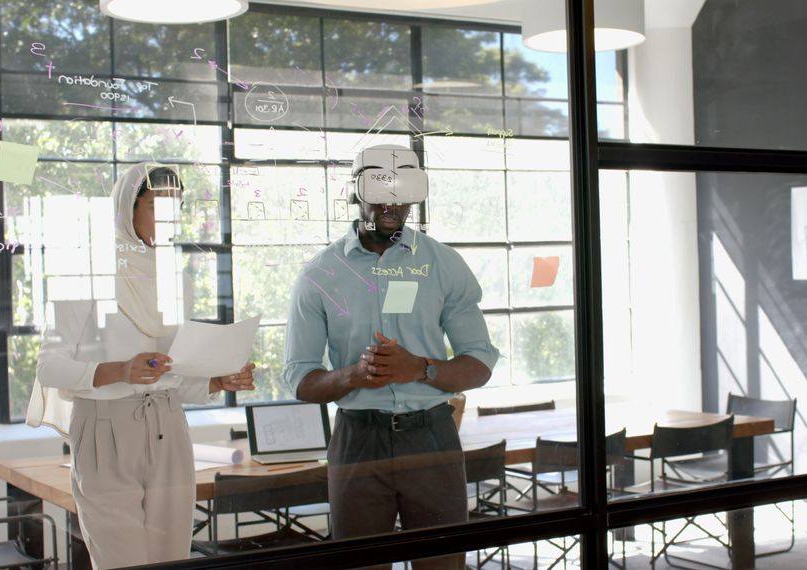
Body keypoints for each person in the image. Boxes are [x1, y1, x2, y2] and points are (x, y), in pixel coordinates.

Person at [26, 162, 256, 568]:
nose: (168, 219)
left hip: (169, 427)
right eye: (156, 206)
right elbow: (49, 368)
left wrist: (219, 379)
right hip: (104, 430)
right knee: (122, 562)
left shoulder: (172, 276)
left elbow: (172, 375)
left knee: (171, 560)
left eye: (176, 207)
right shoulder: (83, 271)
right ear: (126, 209)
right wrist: (120, 370)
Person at [283, 144, 499, 569]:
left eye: (401, 191)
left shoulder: (443, 264)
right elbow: (300, 379)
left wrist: (420, 368)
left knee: (443, 565)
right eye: (378, 189)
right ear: (355, 193)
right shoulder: (319, 275)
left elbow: (480, 362)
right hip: (358, 441)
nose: (390, 203)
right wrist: (354, 376)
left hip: (432, 436)